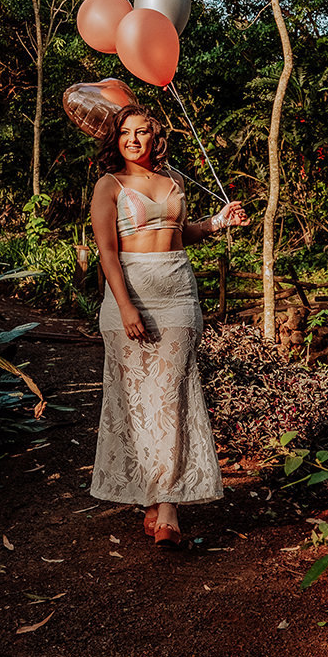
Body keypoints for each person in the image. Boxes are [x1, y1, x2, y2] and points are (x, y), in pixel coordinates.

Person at [88, 103, 248, 547]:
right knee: (137, 402)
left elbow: (181, 234)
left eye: (141, 132)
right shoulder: (109, 185)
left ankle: (168, 506)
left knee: (173, 396)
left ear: (155, 138)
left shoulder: (174, 181)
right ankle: (150, 496)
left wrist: (218, 222)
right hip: (129, 298)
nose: (133, 140)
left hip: (178, 296)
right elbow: (106, 250)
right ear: (115, 140)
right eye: (125, 133)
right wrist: (126, 307)